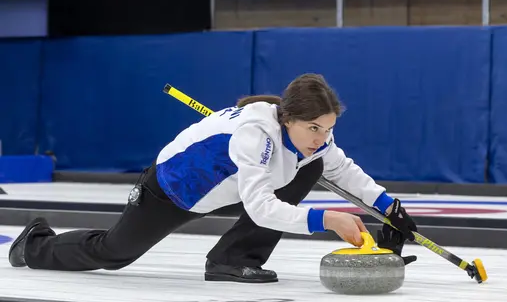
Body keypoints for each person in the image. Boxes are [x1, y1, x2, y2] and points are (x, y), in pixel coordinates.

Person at [7, 73, 418, 283]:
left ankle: (231, 261)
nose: (323, 137)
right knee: (114, 254)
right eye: (315, 128)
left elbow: (342, 168)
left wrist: (389, 208)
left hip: (230, 184)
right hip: (173, 192)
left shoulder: (309, 138)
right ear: (289, 118)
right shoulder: (254, 136)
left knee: (311, 166)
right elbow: (261, 207)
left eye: (328, 128)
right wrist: (328, 219)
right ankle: (35, 245)